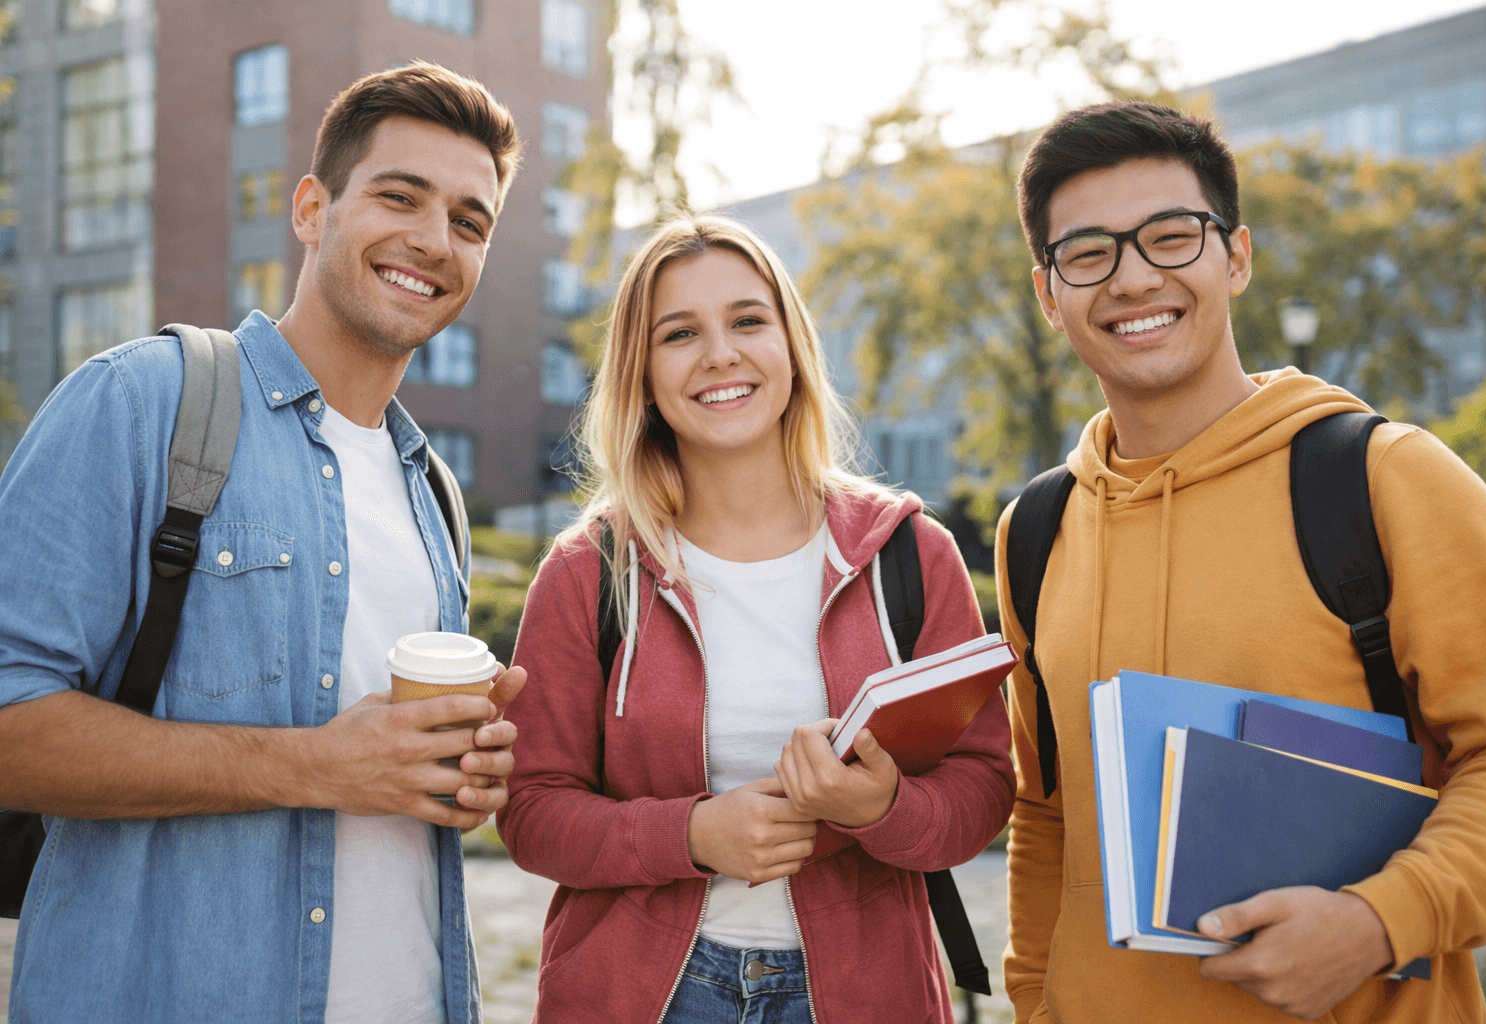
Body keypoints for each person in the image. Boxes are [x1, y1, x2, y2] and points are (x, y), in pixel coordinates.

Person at [0, 63, 526, 1024]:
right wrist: (319, 765)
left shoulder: (433, 494)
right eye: (398, 196)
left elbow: (390, 771)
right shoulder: (142, 402)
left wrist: (463, 773)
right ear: (312, 208)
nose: (431, 239)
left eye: (468, 220)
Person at [998, 100, 1486, 1023]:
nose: (1132, 278)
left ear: (1235, 257)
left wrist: (1377, 921)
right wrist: (1036, 1001)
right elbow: (1045, 809)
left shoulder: (1387, 482)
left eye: (1171, 237)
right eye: (1088, 253)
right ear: (1050, 295)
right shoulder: (1036, 530)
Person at [499, 215, 1014, 1023]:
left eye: (747, 320)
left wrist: (882, 810)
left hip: (863, 993)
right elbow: (531, 812)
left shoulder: (910, 554)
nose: (720, 354)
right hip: (641, 996)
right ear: (641, 375)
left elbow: (982, 790)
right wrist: (693, 835)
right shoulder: (586, 570)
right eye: (679, 333)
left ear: (791, 346)